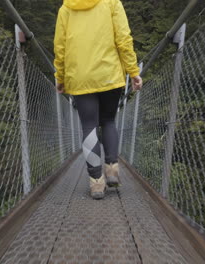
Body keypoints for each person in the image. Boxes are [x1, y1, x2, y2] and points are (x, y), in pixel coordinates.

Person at [54, 0, 143, 199]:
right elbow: (123, 39)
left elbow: (60, 47)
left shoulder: (66, 8)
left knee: (89, 126)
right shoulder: (112, 3)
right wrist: (133, 71)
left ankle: (96, 183)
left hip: (80, 77)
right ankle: (111, 170)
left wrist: (60, 77)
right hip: (109, 75)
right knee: (108, 121)